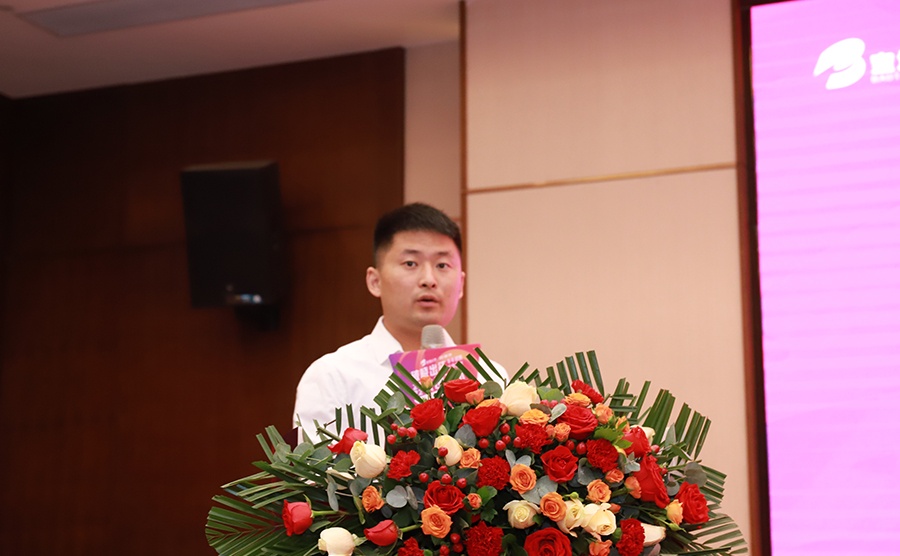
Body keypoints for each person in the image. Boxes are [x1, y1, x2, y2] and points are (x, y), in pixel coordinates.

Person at [292, 203, 506, 436]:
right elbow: (314, 460)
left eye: (442, 265)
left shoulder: (490, 376)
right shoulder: (333, 376)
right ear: (375, 281)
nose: (429, 279)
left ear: (461, 284)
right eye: (410, 263)